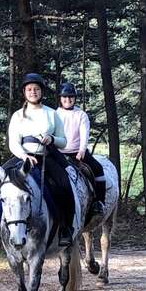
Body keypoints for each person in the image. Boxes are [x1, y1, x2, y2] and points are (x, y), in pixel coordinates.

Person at [0, 73, 75, 248]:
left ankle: (65, 228)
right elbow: (13, 142)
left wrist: (52, 140)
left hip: (45, 157)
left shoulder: (52, 114)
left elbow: (63, 141)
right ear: (24, 92)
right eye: (29, 89)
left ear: (42, 92)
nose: (33, 92)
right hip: (22, 158)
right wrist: (23, 155)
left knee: (64, 185)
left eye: (36, 89)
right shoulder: (18, 116)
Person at [55, 82, 106, 214]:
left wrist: (82, 150)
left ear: (75, 98)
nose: (68, 99)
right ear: (60, 98)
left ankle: (99, 202)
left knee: (98, 169)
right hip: (59, 153)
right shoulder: (55, 114)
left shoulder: (81, 114)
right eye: (65, 97)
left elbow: (84, 133)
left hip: (78, 152)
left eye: (71, 96)